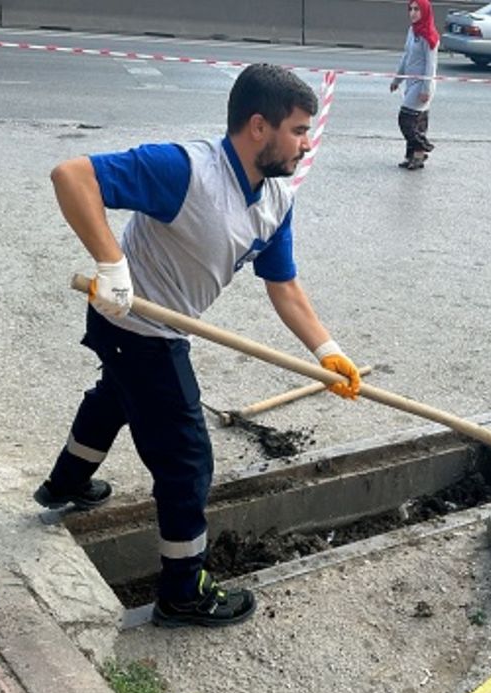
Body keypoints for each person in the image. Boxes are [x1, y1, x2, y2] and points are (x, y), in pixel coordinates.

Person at [34, 63, 362, 628]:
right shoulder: (186, 171)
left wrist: (327, 350)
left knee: (115, 398)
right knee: (187, 463)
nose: (307, 144)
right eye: (298, 131)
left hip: (150, 328)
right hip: (139, 326)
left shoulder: (275, 199)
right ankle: (183, 592)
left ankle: (64, 484)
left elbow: (283, 285)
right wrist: (111, 264)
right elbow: (71, 176)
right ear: (258, 126)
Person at [389, 0, 439, 170]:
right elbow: (406, 57)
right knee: (418, 122)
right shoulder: (413, 31)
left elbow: (431, 65)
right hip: (411, 83)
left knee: (405, 119)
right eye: (410, 9)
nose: (413, 13)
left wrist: (426, 89)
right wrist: (397, 80)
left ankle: (423, 148)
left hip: (422, 84)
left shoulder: (430, 36)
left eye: (417, 9)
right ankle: (414, 157)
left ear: (425, 11)